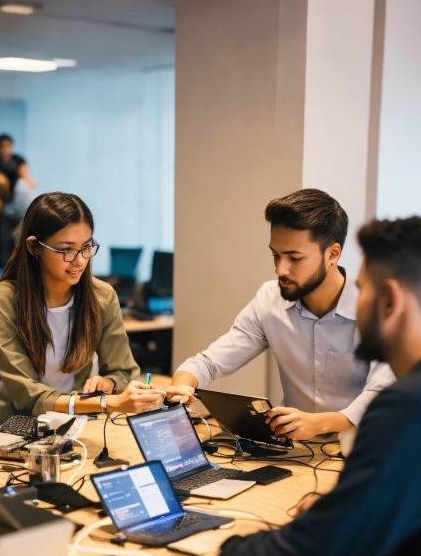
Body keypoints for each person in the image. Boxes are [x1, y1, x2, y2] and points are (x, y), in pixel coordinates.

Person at [217, 216, 421, 556]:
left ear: (390, 301)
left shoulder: (411, 405)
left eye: (361, 291)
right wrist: (350, 509)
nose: (353, 306)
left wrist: (225, 543)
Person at [167, 189, 395, 445]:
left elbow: (382, 393)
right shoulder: (269, 299)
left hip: (360, 448)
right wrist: (183, 387)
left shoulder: (376, 309)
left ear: (332, 254)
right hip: (294, 450)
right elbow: (209, 363)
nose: (280, 269)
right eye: (275, 255)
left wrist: (319, 423)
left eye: (294, 258)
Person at [0, 192, 163, 432]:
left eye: (86, 247)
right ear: (34, 246)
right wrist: (103, 402)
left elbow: (123, 370)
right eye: (66, 249)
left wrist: (108, 382)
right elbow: (29, 394)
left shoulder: (102, 296)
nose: (79, 261)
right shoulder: (3, 299)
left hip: (71, 425)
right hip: (5, 423)